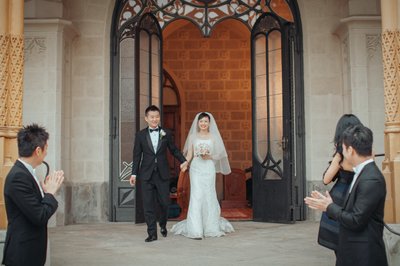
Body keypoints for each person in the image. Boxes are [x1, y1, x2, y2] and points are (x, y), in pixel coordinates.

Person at [305, 124, 388, 266]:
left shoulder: (371, 179)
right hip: (351, 251)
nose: (341, 152)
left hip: (363, 256)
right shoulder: (361, 171)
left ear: (350, 150)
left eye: (343, 148)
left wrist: (329, 207)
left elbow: (356, 220)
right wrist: (328, 204)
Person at [2, 124, 64, 266]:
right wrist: (50, 193)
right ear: (38, 150)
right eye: (46, 148)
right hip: (22, 254)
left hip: (30, 252)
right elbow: (39, 216)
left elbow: (32, 207)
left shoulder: (26, 172)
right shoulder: (18, 177)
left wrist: (43, 192)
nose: (46, 152)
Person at [171, 112, 234, 239]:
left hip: (209, 168)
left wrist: (208, 155)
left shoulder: (213, 137)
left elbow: (219, 155)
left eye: (206, 121)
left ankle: (211, 228)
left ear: (209, 123)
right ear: (198, 123)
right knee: (197, 195)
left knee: (209, 194)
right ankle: (196, 229)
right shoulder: (193, 137)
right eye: (201, 121)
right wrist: (185, 163)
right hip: (196, 168)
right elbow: (190, 154)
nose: (203, 124)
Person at [129, 105, 188, 242]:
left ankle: (162, 224)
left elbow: (174, 150)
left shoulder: (165, 133)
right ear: (146, 118)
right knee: (148, 204)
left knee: (165, 203)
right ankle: (152, 233)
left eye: (157, 117)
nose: (154, 119)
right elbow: (137, 155)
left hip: (162, 174)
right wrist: (134, 174)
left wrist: (183, 161)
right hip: (146, 175)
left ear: (159, 117)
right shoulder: (140, 135)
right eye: (152, 117)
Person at [318, 114, 363, 251]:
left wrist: (339, 158)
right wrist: (339, 156)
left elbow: (326, 179)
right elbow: (326, 179)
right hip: (350, 196)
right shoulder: (354, 153)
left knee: (344, 245)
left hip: (342, 196)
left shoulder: (350, 154)